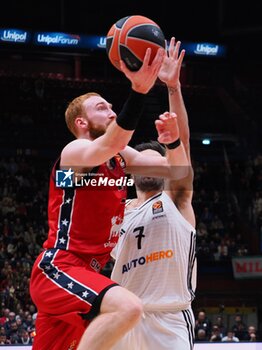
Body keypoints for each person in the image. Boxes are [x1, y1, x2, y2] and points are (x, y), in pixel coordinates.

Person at [29, 47, 189, 350]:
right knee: (128, 308)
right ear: (81, 123)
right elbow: (115, 138)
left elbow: (177, 171)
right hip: (60, 267)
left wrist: (174, 140)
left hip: (86, 275)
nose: (112, 112)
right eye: (102, 108)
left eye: (112, 107)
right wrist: (139, 90)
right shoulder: (74, 153)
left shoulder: (120, 158)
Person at [110, 38, 196, 350]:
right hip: (122, 319)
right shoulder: (116, 210)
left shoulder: (175, 199)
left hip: (168, 320)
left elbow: (181, 146)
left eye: (160, 161)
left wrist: (173, 88)